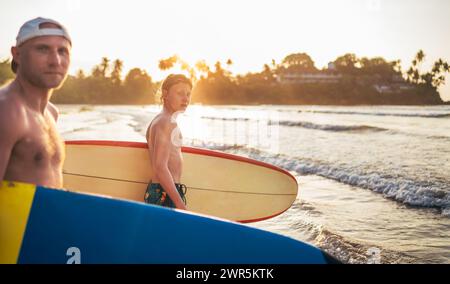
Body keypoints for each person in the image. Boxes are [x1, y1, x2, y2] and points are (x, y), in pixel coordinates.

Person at [0, 17, 72, 188]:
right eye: (43, 49)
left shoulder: (51, 113)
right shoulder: (6, 111)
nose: (55, 61)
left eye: (62, 51)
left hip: (43, 214)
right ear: (17, 54)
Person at [144, 74, 192, 210]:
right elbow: (160, 167)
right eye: (180, 93)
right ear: (165, 94)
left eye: (188, 94)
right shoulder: (166, 122)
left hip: (161, 192)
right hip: (165, 193)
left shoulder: (160, 120)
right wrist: (180, 205)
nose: (185, 99)